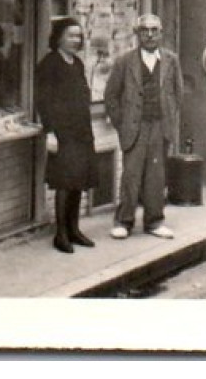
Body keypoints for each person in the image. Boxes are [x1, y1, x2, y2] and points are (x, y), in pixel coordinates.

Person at [102, 13, 183, 240]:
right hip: (134, 127)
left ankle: (154, 221)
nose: (149, 35)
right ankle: (124, 221)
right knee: (131, 175)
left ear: (161, 33)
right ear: (137, 34)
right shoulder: (125, 62)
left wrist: (169, 117)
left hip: (159, 125)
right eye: (144, 30)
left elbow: (177, 93)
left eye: (154, 30)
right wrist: (121, 123)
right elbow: (111, 96)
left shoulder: (171, 60)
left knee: (156, 177)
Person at [35, 17, 97, 254]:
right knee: (64, 182)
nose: (75, 40)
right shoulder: (49, 64)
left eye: (78, 36)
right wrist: (50, 131)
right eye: (70, 36)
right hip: (63, 132)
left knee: (78, 180)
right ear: (59, 37)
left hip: (81, 130)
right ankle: (60, 234)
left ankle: (74, 229)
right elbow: (43, 100)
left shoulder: (78, 63)